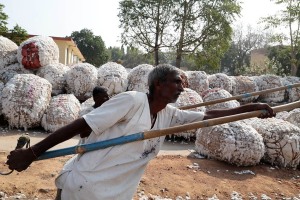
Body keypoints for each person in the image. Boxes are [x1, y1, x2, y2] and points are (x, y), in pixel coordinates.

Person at [6, 64, 276, 200]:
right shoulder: (132, 101)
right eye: (175, 83)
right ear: (158, 84)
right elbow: (81, 125)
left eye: (182, 84)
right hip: (85, 188)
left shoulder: (169, 114)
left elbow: (208, 116)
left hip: (116, 194)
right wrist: (32, 152)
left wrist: (252, 107)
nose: (181, 88)